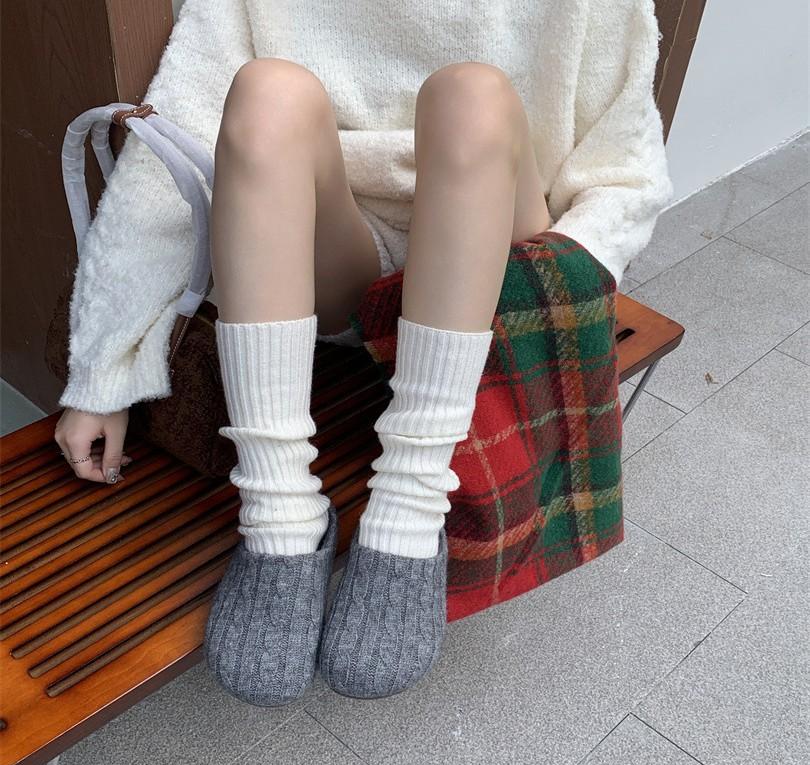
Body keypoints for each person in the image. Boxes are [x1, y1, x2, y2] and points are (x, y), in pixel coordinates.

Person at [53, 0, 674, 703]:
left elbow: (624, 176)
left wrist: (561, 302)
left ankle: (410, 503)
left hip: (497, 253)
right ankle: (279, 510)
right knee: (266, 92)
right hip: (345, 255)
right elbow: (173, 150)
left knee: (472, 96)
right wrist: (101, 369)